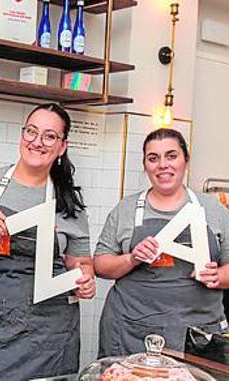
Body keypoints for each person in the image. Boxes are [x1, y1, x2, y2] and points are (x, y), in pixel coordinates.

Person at [0, 103, 95, 380]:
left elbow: (80, 262)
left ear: (62, 146)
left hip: (48, 333)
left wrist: (85, 279)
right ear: (22, 135)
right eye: (31, 132)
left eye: (49, 136)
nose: (37, 142)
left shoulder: (69, 202)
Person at [94, 128, 229, 357]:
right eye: (153, 158)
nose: (162, 165)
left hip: (198, 335)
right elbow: (99, 265)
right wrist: (132, 258)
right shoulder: (125, 209)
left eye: (171, 155)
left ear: (186, 160)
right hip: (130, 332)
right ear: (145, 165)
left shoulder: (214, 209)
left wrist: (218, 277)